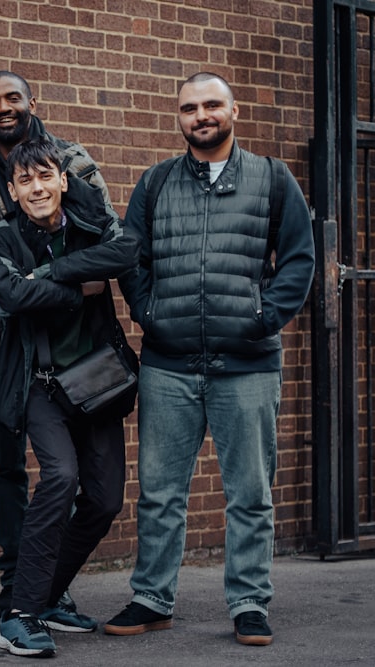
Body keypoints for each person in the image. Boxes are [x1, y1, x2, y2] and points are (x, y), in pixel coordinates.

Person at [103, 72, 315, 646]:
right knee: (160, 491)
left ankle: (249, 603)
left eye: (212, 104)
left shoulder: (273, 179)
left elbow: (299, 259)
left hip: (247, 364)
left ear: (233, 110)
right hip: (168, 364)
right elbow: (132, 257)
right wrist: (148, 313)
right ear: (179, 116)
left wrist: (263, 317)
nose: (201, 115)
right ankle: (152, 598)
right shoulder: (155, 182)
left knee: (250, 492)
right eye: (190, 107)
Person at [0, 71, 115, 618]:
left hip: (72, 347)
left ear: (33, 101)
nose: (3, 108)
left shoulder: (70, 158)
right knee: (9, 466)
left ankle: (45, 584)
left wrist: (40, 286)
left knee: (67, 473)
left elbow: (102, 234)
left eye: (13, 98)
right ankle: (18, 581)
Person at [0, 138, 139, 657]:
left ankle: (43, 598)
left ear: (63, 180)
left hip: (97, 380)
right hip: (40, 383)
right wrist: (81, 284)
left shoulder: (90, 213)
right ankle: (19, 616)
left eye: (45, 176)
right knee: (61, 477)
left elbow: (126, 251)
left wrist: (52, 272)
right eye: (25, 181)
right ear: (13, 190)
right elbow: (12, 296)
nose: (37, 188)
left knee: (106, 499)